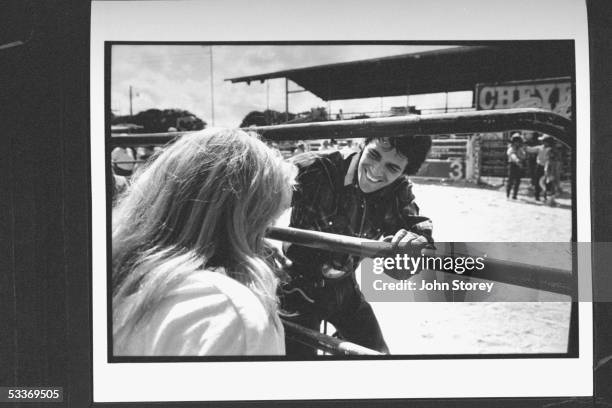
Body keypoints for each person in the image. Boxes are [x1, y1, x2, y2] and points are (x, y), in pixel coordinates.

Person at [112, 128, 297, 356]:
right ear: (245, 222)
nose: (263, 244)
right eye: (262, 228)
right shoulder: (229, 313)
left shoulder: (118, 277)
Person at [280, 134, 434, 356]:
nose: (377, 171)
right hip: (296, 287)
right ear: (363, 144)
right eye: (374, 155)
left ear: (404, 172)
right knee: (297, 369)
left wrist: (415, 245)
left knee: (378, 357)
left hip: (345, 287)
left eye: (392, 168)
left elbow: (417, 229)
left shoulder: (397, 190)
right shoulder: (317, 167)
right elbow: (257, 196)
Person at [506, 133, 526, 200]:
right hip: (512, 165)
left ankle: (514, 195)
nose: (517, 143)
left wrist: (520, 156)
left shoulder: (520, 149)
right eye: (515, 141)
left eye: (518, 141)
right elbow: (512, 155)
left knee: (517, 181)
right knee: (510, 180)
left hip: (518, 165)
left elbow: (523, 156)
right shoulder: (510, 149)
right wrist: (517, 160)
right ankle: (508, 194)